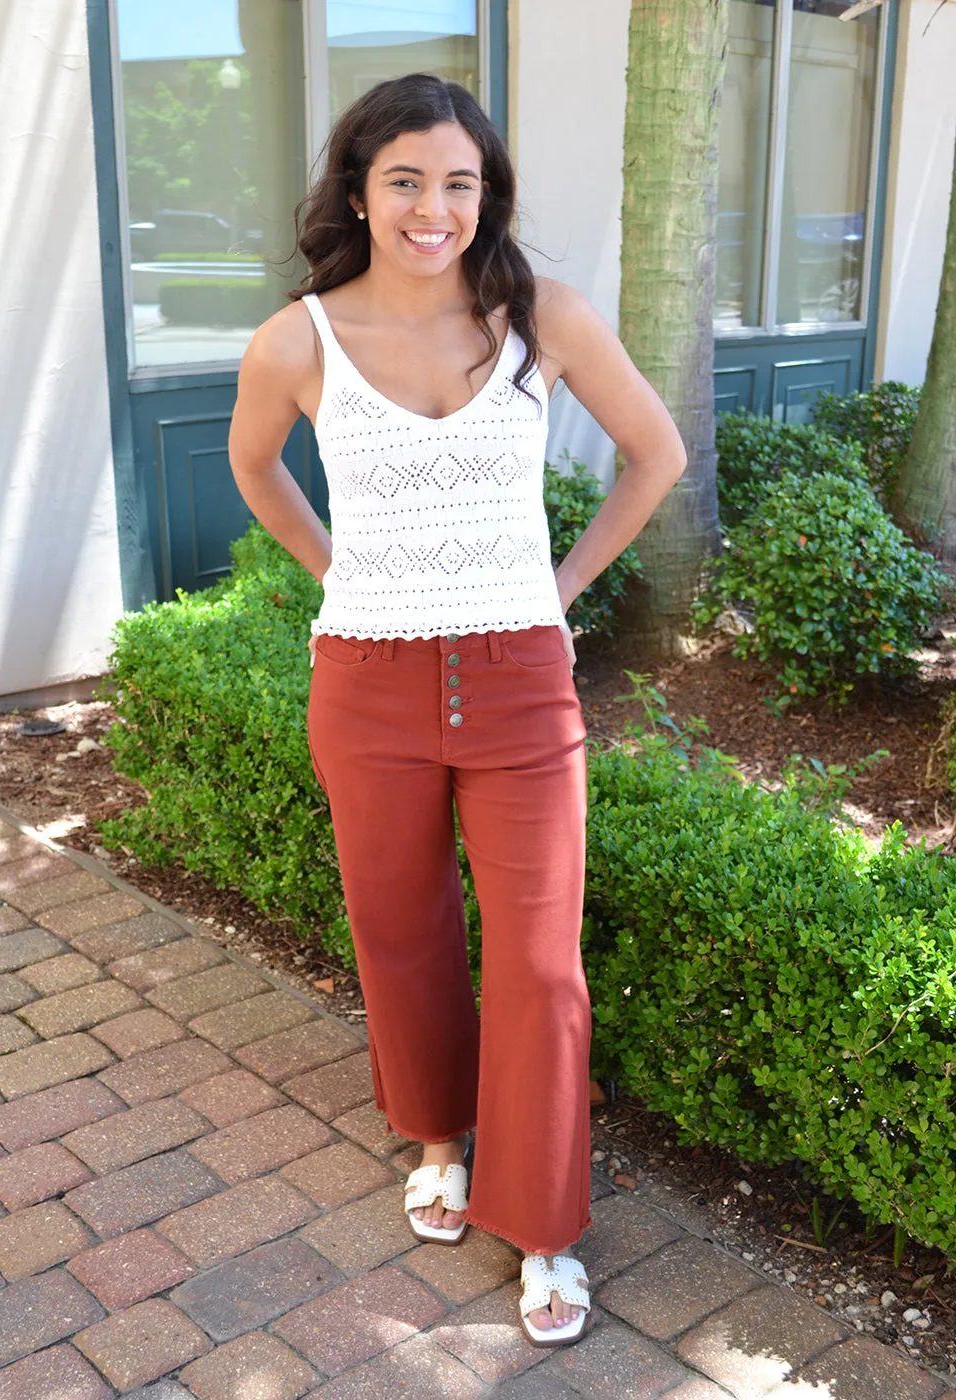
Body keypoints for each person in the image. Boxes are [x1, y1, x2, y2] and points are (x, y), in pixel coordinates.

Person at [228, 72, 686, 1348]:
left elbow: (657, 453)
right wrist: (337, 571)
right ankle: (437, 1139)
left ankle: (542, 1221)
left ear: (487, 197)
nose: (436, 208)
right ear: (360, 194)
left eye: (461, 183)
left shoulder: (542, 318)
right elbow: (252, 463)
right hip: (365, 683)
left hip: (520, 680)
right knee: (401, 927)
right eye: (407, 181)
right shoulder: (298, 339)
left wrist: (561, 584)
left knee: (540, 959)